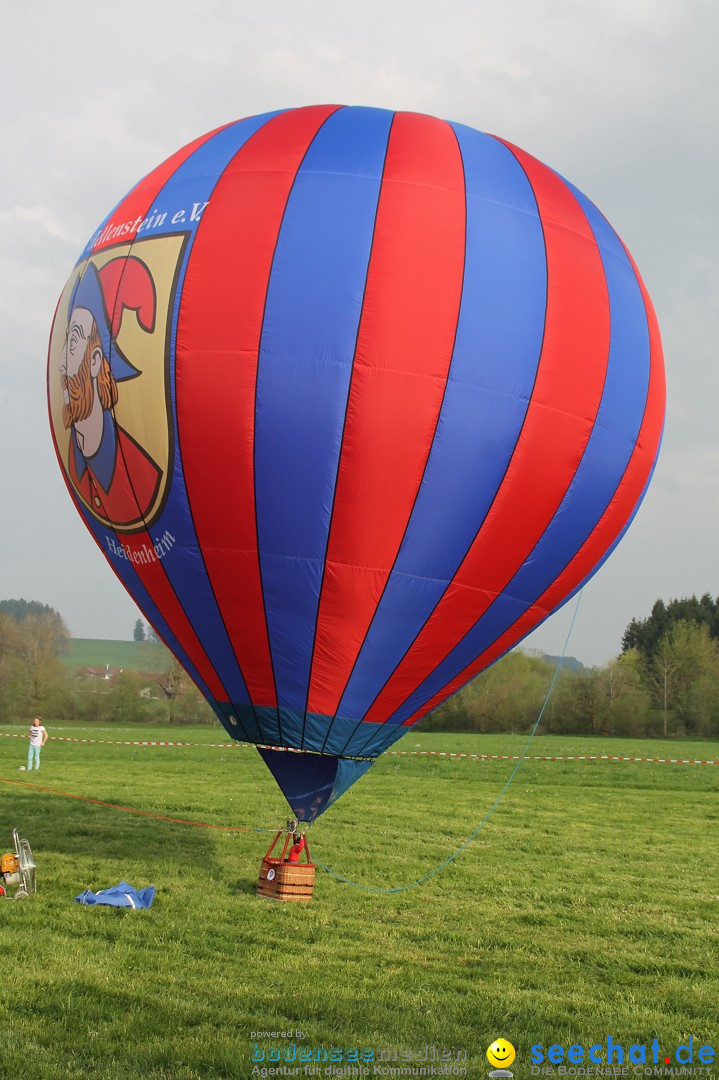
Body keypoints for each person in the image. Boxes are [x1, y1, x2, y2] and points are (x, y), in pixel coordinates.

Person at [59, 258, 162, 527]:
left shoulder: (146, 476)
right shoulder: (73, 462)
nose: (61, 366)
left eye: (72, 343)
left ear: (95, 361)